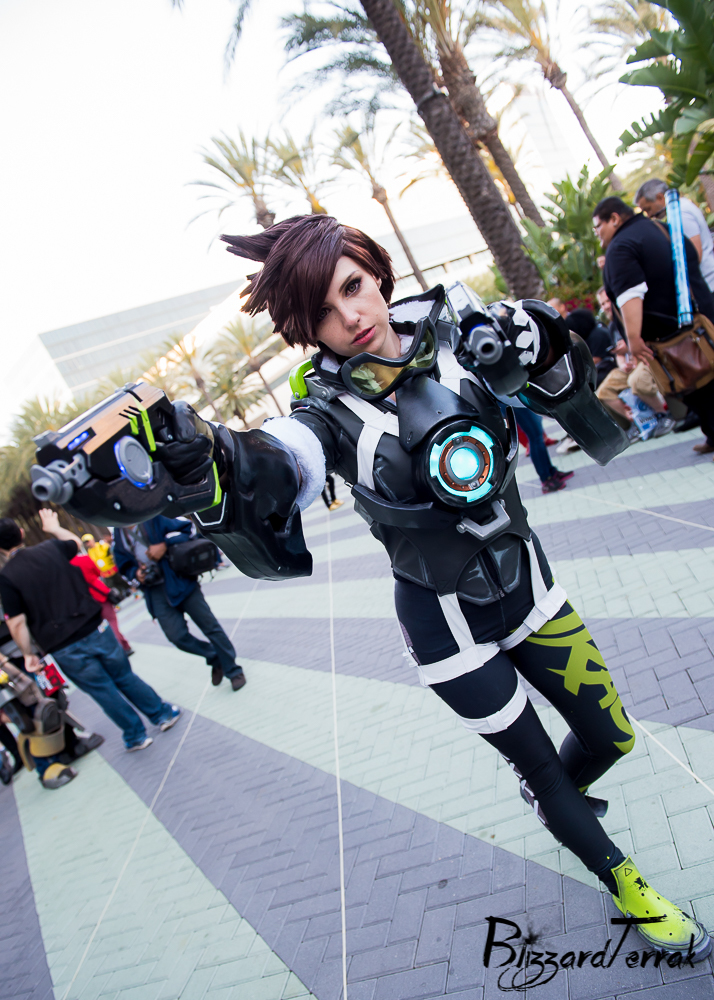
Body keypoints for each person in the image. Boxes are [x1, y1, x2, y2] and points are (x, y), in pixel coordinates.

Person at [122, 213, 705, 960]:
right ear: (306, 331)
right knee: (538, 766)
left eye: (353, 287)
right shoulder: (322, 416)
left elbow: (566, 392)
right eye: (323, 313)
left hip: (529, 588)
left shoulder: (462, 333)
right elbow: (276, 464)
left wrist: (542, 336)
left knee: (610, 734)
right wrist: (211, 456)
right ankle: (624, 881)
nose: (350, 317)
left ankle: (555, 798)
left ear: (375, 270)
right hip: (446, 627)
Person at [0, 512, 180, 752]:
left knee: (102, 690)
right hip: (94, 625)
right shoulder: (51, 548)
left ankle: (136, 736)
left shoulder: (7, 577)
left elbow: (17, 623)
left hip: (62, 644)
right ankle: (162, 714)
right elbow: (75, 543)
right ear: (21, 533)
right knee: (124, 675)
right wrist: (53, 527)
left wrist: (28, 654)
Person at [594, 196, 714, 457]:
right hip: (699, 320)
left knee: (695, 386)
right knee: (701, 386)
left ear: (614, 219)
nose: (597, 233)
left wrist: (634, 340)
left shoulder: (621, 246)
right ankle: (711, 433)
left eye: (598, 226)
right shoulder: (660, 228)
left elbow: (630, 295)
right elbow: (691, 258)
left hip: (672, 336)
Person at [113, 516, 246, 691]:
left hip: (179, 579)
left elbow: (188, 529)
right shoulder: (118, 534)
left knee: (210, 626)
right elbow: (123, 565)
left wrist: (165, 544)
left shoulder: (153, 515)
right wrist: (136, 573)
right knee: (176, 636)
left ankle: (233, 670)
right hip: (154, 590)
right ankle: (214, 656)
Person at [636, 179, 714, 292]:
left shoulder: (681, 212)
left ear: (660, 197)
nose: (649, 215)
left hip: (708, 283)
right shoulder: (680, 208)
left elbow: (695, 254)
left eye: (648, 209)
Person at [71, 548, 133, 654]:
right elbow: (98, 572)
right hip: (99, 593)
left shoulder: (65, 567)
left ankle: (124, 645)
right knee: (111, 621)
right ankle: (121, 647)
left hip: (85, 600)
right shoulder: (84, 559)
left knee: (100, 626)